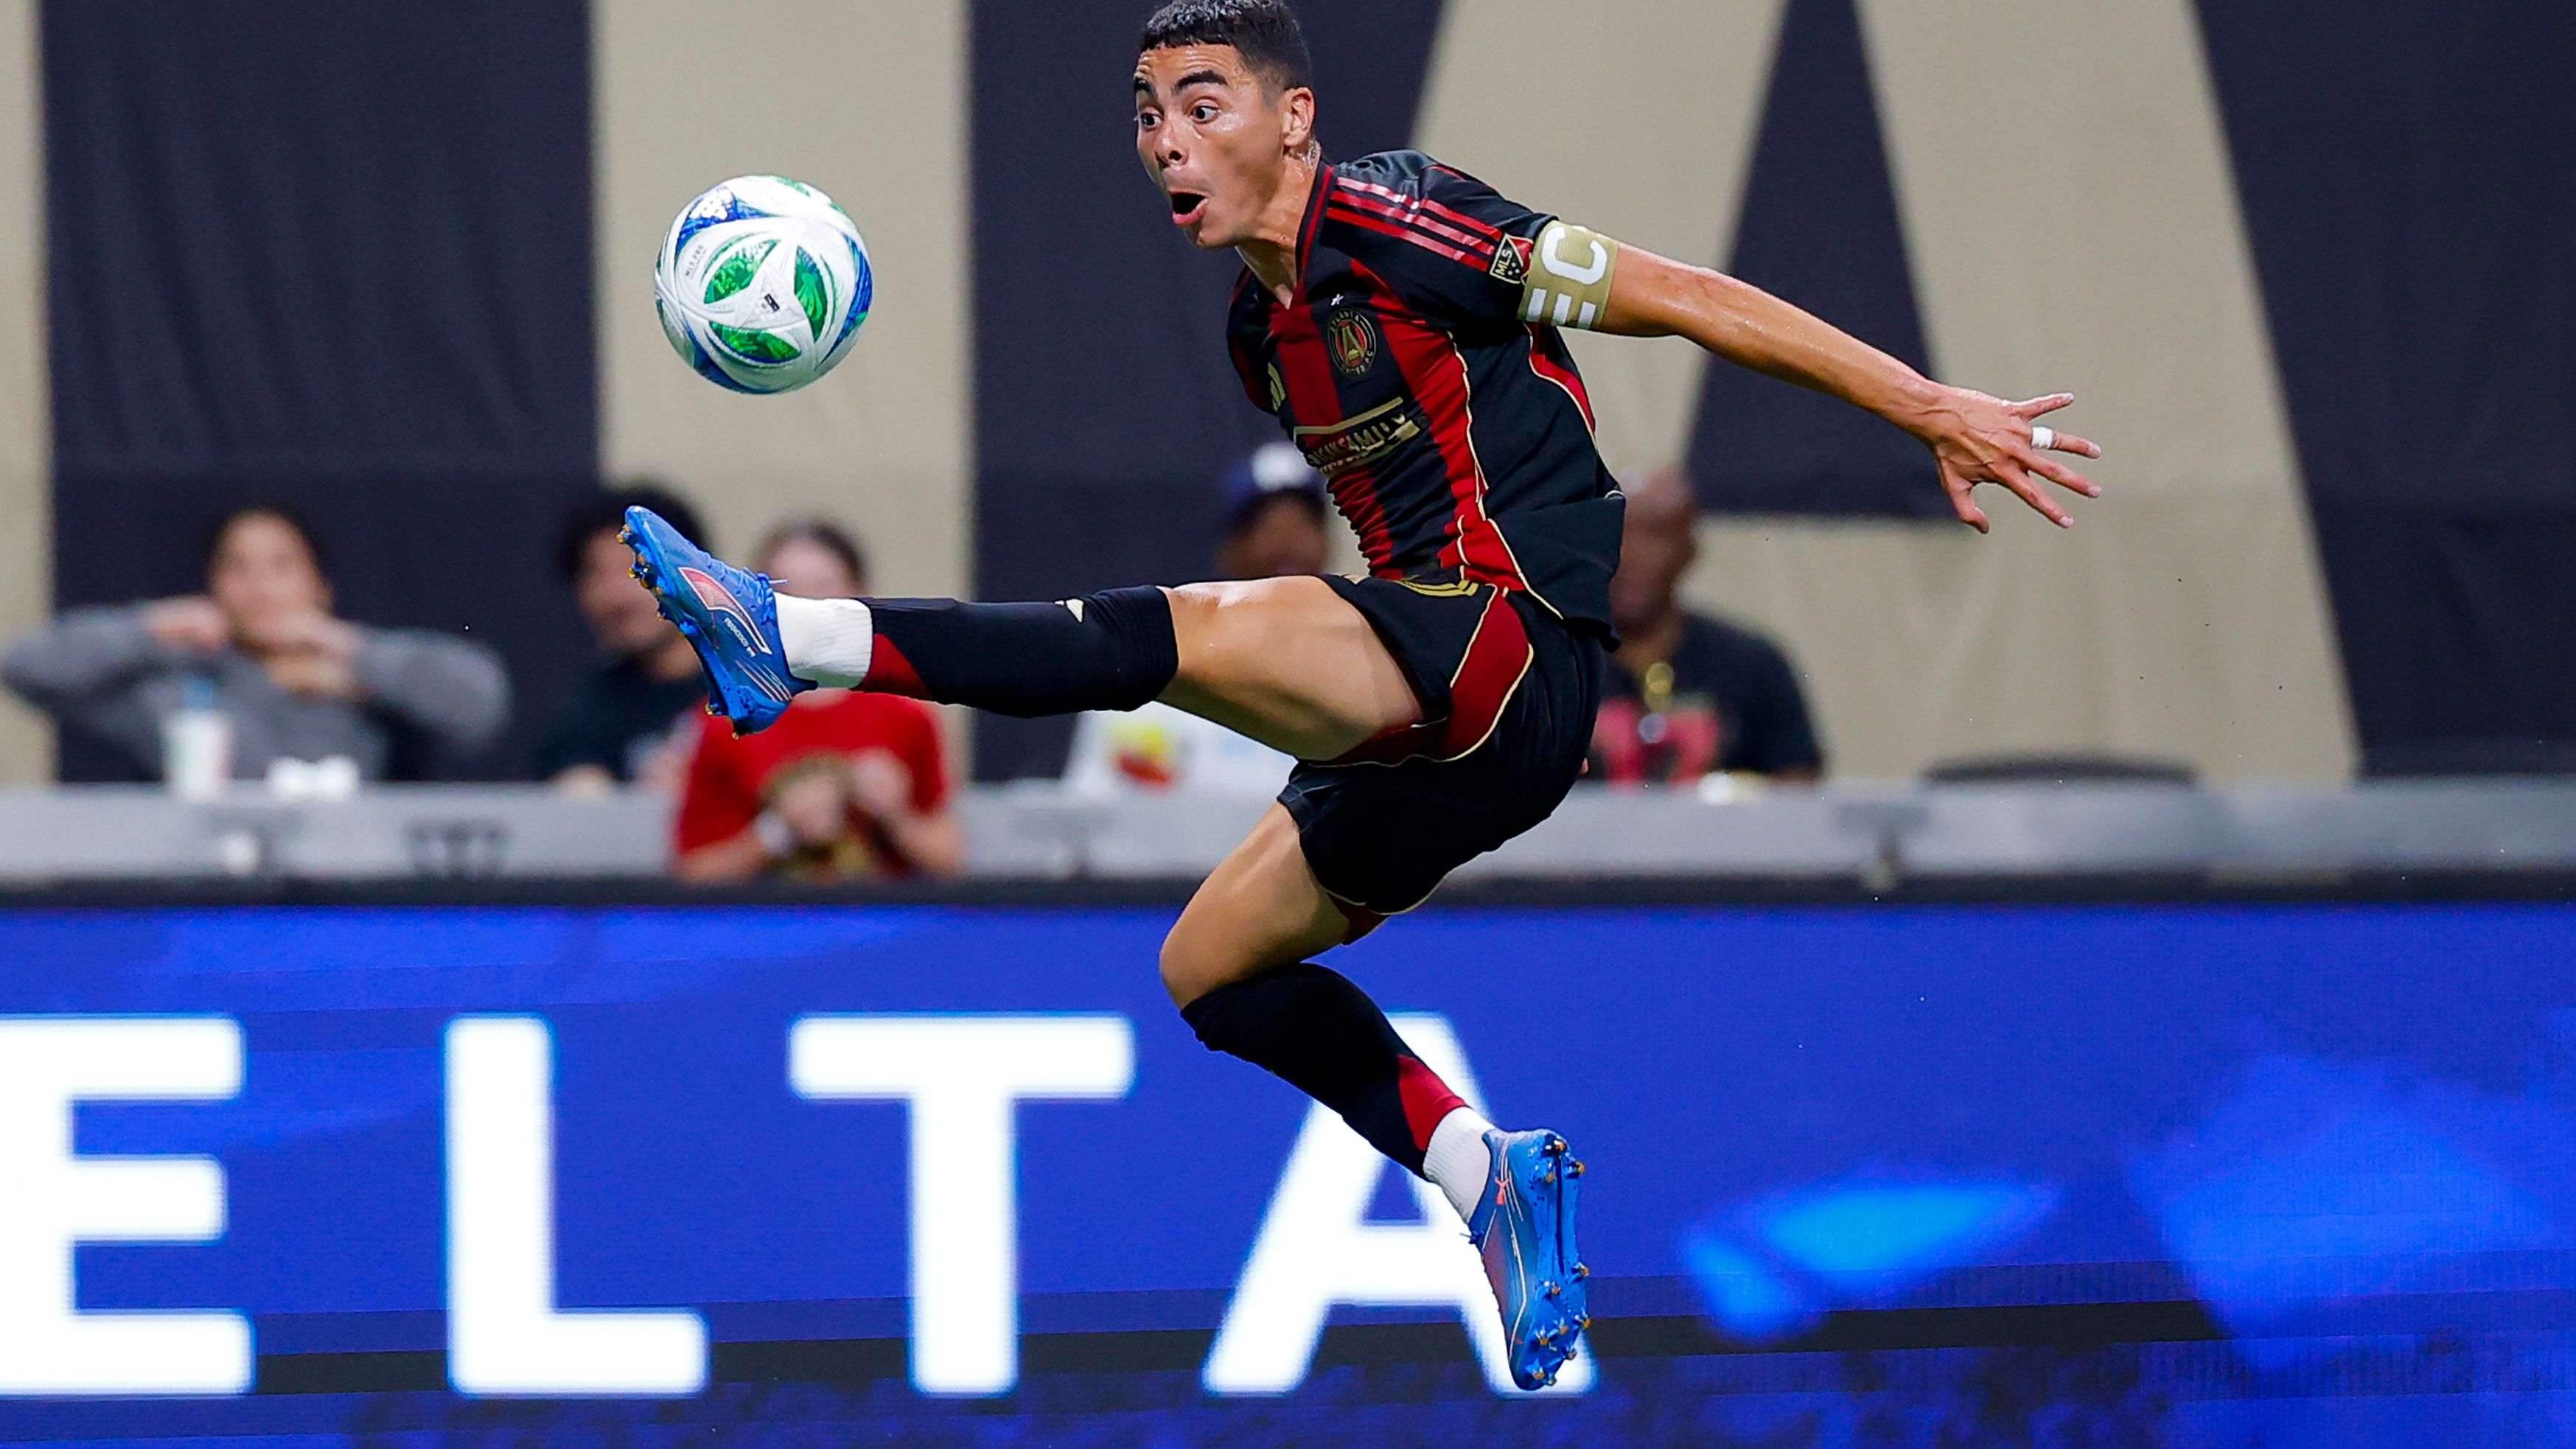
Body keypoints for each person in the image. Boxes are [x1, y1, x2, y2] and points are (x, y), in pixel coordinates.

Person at [616, 0, 2099, 1390]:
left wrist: (1926, 406)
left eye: (1203, 104)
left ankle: (792, 638)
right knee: (1208, 971)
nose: (1167, 141)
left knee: (1180, 631)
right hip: (1458, 731)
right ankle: (1483, 1170)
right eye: (1145, 113)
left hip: (1507, 648)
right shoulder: (1261, 338)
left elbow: (1687, 296)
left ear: (1295, 118)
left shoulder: (1405, 214)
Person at [4, 503, 508, 783]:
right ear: (212, 584)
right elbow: (25, 667)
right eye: (237, 567)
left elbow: (480, 703)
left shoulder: (371, 684)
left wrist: (351, 653)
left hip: (357, 914)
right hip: (201, 914)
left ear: (320, 587)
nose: (259, 586)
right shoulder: (176, 685)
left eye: (282, 566)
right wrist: (151, 625)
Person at [671, 520, 965, 881]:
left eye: (823, 588)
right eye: (785, 589)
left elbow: (951, 861)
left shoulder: (906, 716)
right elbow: (689, 875)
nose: (806, 606)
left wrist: (895, 816)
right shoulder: (723, 718)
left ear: (862, 597)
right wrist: (777, 832)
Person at [1062, 441, 1319, 796]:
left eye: (1306, 525)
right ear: (1230, 548)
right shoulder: (1155, 665)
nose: (1290, 543)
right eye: (1268, 527)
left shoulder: (1358, 666)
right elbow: (1095, 823)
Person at [1592, 467, 1823, 784]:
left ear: (1689, 551)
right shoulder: (1544, 662)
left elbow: (1798, 789)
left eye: (1655, 534)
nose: (1631, 554)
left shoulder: (1753, 665)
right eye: (1616, 534)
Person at [534, 485, 713, 792]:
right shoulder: (586, 714)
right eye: (597, 574)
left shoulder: (759, 686)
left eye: (637, 570)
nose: (619, 596)